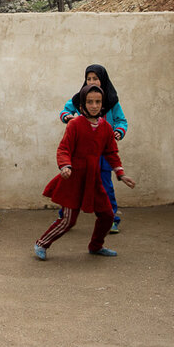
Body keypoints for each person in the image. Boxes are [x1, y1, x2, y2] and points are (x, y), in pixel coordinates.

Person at [34, 84, 136, 261]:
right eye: (90, 102)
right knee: (68, 221)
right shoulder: (75, 125)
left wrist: (121, 173)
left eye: (98, 102)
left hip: (93, 180)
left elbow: (111, 152)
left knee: (107, 215)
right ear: (82, 105)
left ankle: (96, 246)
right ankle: (41, 243)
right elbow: (64, 148)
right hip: (73, 179)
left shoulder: (105, 128)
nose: (94, 105)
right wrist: (65, 166)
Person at [59, 64, 128, 233]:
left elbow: (121, 121)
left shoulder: (111, 101)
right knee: (75, 184)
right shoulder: (81, 98)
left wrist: (118, 132)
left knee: (105, 186)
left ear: (102, 80)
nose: (92, 82)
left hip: (102, 152)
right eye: (88, 79)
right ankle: (64, 216)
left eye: (95, 78)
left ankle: (112, 219)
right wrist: (67, 116)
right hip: (81, 152)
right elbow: (65, 110)